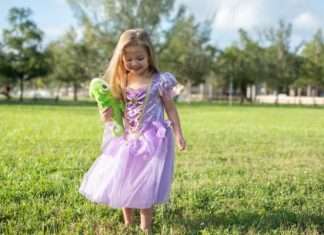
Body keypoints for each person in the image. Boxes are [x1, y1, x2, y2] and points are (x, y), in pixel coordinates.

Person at [79, 28, 186, 234]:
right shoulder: (122, 80)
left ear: (149, 56)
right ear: (121, 59)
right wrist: (106, 115)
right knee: (123, 177)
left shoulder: (159, 81)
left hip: (151, 139)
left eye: (140, 58)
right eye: (129, 59)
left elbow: (171, 109)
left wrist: (179, 133)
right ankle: (128, 223)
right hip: (127, 138)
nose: (134, 63)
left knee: (145, 181)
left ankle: (146, 227)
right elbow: (114, 112)